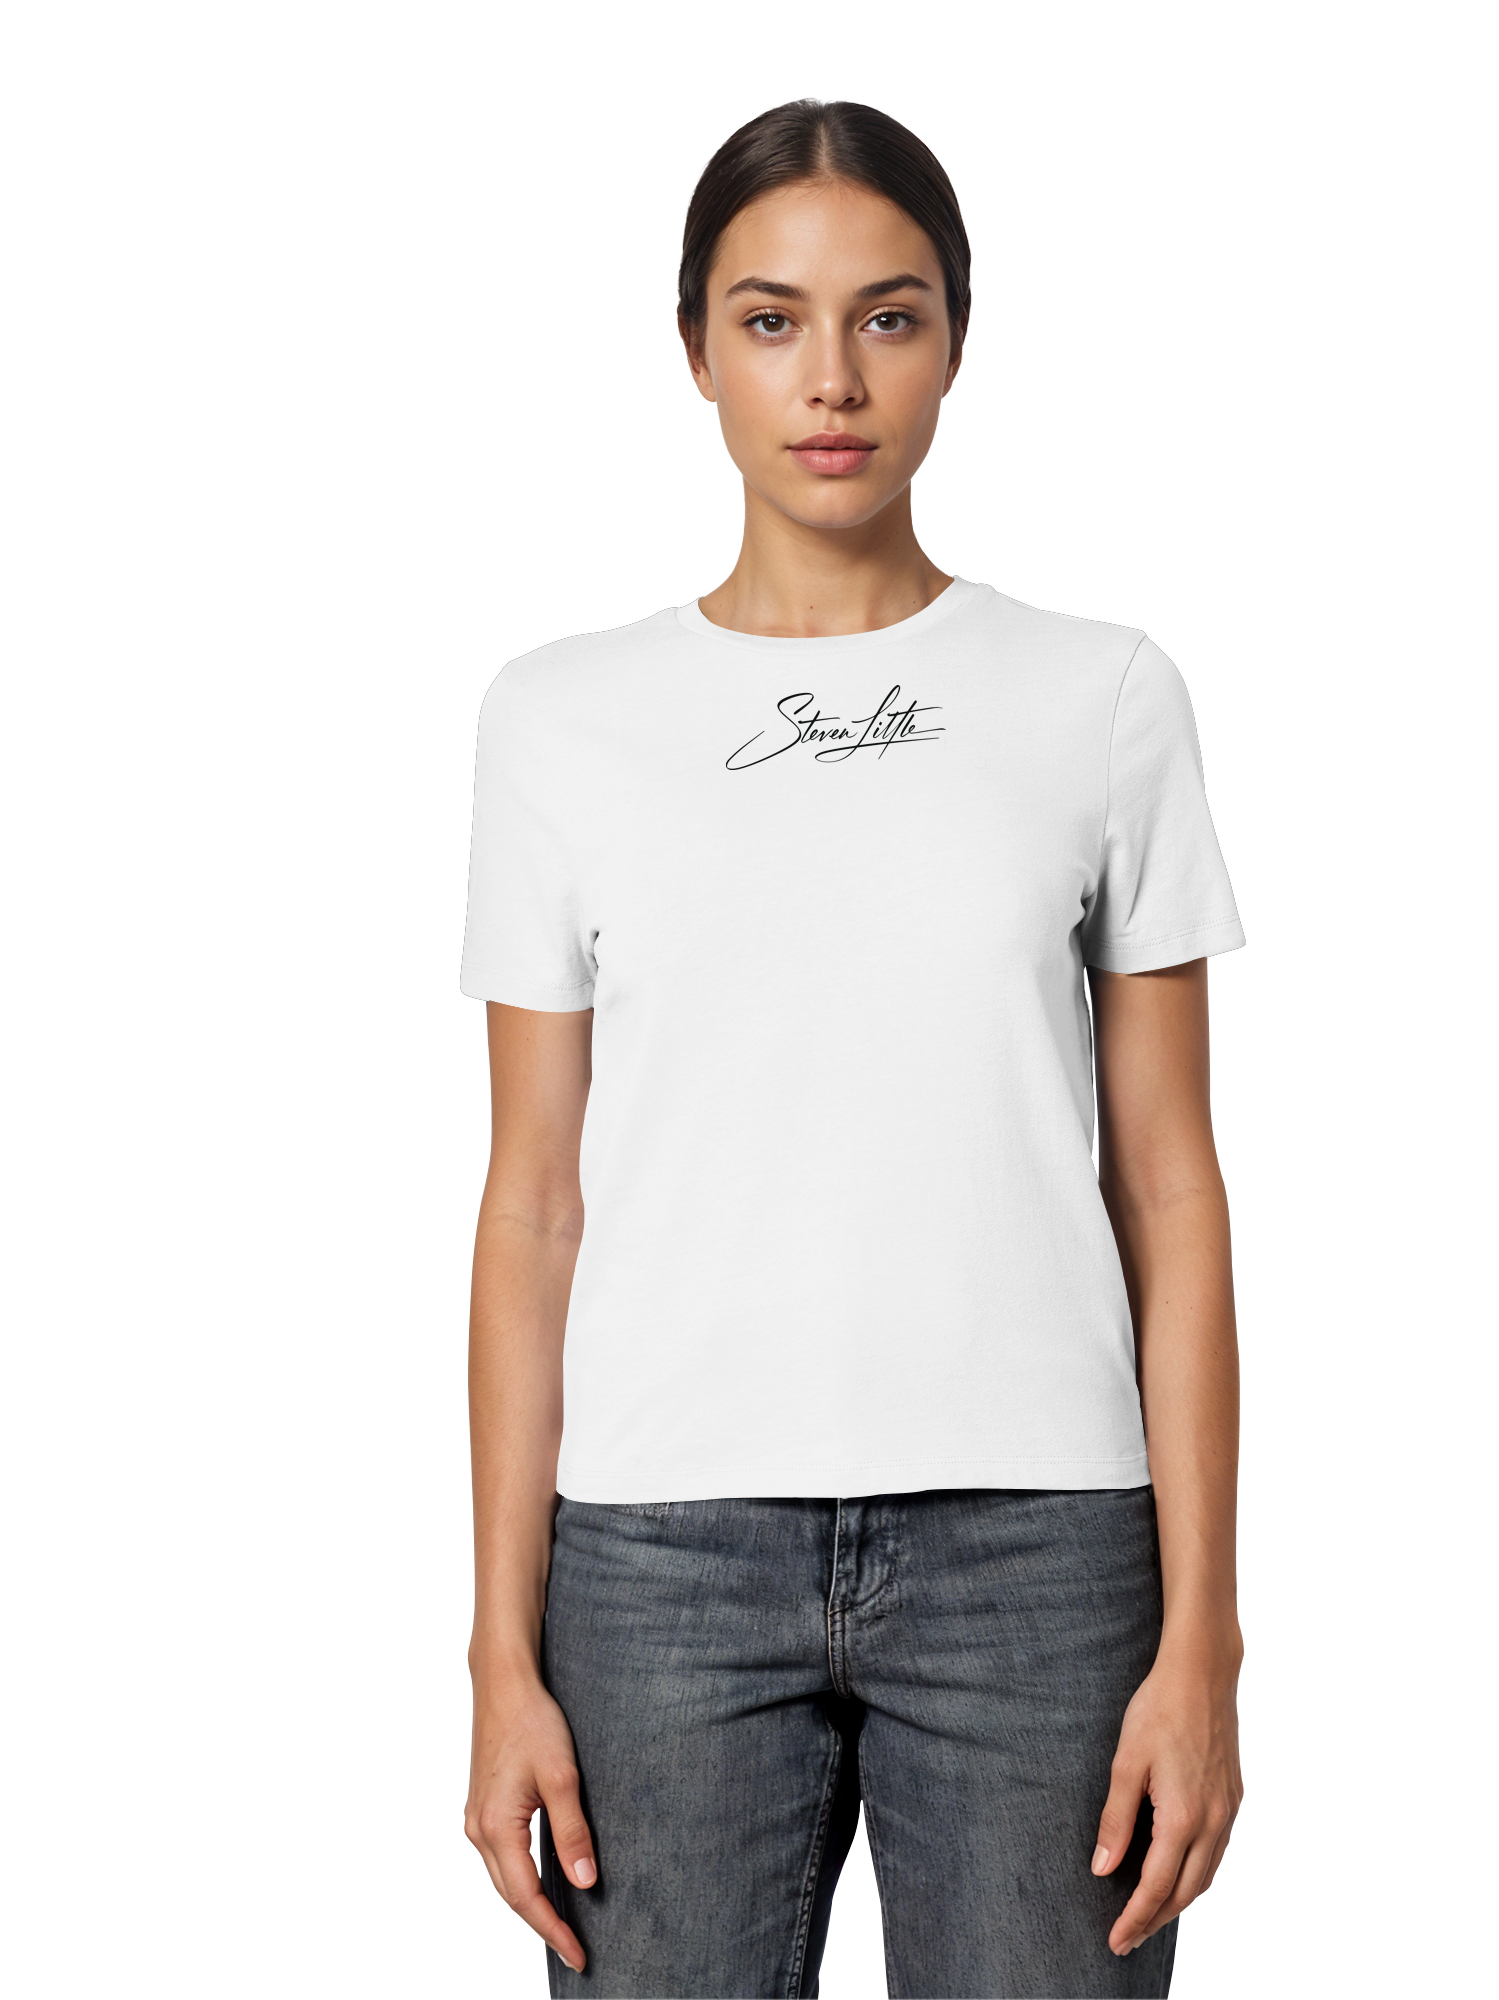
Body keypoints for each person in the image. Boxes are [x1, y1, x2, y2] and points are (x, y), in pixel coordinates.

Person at [459, 95, 1245, 1997]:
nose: (832, 379)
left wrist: (1207, 1638)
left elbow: (1172, 1186)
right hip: (655, 1557)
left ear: (958, 342)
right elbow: (533, 1209)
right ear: (694, 349)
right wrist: (497, 1652)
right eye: (772, 319)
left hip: (1043, 1550)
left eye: (889, 317)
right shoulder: (559, 717)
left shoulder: (1103, 696)